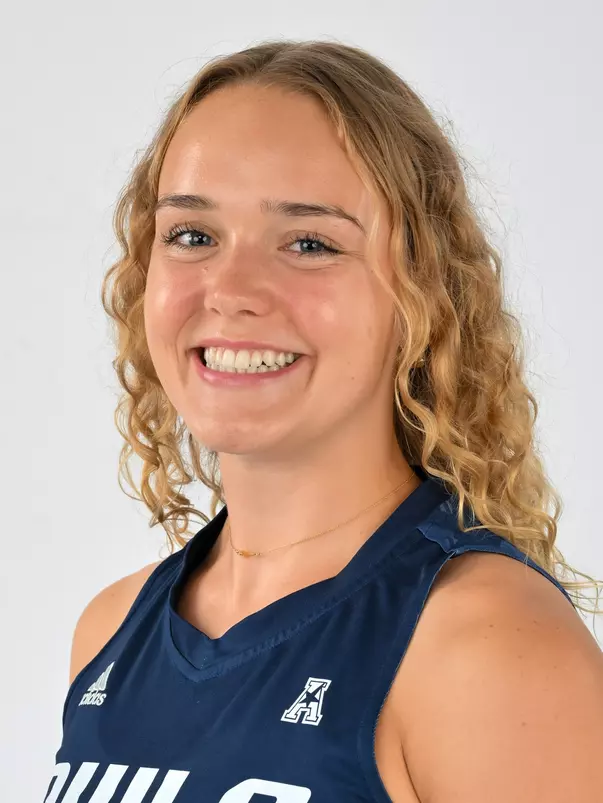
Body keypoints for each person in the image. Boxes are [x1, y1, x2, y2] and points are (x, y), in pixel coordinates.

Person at [44, 39, 603, 803]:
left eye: (309, 242)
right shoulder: (109, 631)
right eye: (192, 235)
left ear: (421, 295)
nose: (230, 289)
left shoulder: (486, 645)